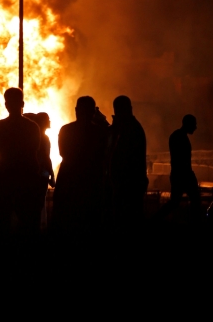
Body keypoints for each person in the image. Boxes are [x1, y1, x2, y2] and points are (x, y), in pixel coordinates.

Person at [53, 96, 109, 237]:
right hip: (92, 182)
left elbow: (62, 152)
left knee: (68, 223)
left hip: (69, 180)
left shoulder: (66, 130)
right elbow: (104, 155)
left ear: (76, 110)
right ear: (93, 112)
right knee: (90, 225)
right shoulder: (100, 132)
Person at [0, 87, 41, 235]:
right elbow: (35, 148)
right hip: (26, 178)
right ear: (22, 103)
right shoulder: (32, 127)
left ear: (6, 105)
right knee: (27, 222)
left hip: (3, 178)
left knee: (1, 221)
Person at [108, 95, 148, 230]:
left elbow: (119, 154)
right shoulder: (132, 127)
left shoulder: (129, 129)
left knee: (128, 221)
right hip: (131, 182)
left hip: (129, 182)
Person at [169, 114, 200, 208]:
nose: (195, 127)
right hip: (183, 175)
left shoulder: (176, 136)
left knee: (174, 202)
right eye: (194, 124)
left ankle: (155, 220)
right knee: (195, 200)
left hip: (178, 174)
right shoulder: (180, 137)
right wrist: (189, 174)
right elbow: (182, 159)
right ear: (188, 124)